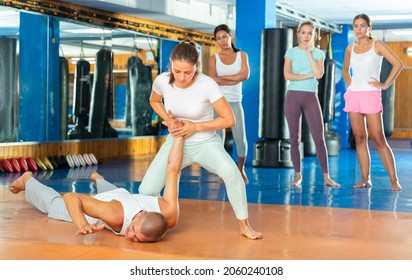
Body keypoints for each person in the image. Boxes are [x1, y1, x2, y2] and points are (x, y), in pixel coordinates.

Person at [139, 40, 262, 240]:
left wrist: (195, 126)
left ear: (197, 66)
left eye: (188, 72)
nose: (182, 77)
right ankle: (162, 217)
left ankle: (244, 226)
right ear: (171, 64)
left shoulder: (207, 84)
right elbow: (154, 100)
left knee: (233, 175)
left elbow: (228, 119)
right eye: (177, 71)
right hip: (175, 142)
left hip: (205, 143)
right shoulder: (162, 80)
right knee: (146, 189)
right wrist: (168, 119)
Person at [9, 136, 185, 242]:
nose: (130, 235)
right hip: (110, 204)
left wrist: (179, 137)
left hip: (120, 195)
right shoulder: (115, 215)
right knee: (55, 206)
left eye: (137, 238)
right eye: (132, 229)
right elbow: (71, 197)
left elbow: (174, 169)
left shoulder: (169, 213)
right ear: (140, 214)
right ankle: (28, 181)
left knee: (113, 193)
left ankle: (98, 178)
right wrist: (82, 223)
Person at [342, 14, 403, 191]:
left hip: (370, 94)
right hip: (354, 95)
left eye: (362, 26)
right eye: (355, 26)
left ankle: (394, 180)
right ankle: (365, 179)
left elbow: (397, 63)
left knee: (378, 138)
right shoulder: (349, 49)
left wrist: (384, 84)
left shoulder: (377, 45)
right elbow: (345, 69)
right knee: (360, 138)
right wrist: (349, 82)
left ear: (369, 28)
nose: (358, 29)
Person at [283, 20, 339, 187]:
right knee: (294, 138)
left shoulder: (319, 53)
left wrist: (309, 54)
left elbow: (319, 74)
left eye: (310, 33)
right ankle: (298, 175)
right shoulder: (291, 52)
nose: (306, 36)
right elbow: (287, 75)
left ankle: (326, 177)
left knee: (319, 138)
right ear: (298, 34)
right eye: (303, 32)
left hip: (311, 97)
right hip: (293, 96)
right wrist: (308, 76)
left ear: (314, 35)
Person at [208, 24, 250, 184]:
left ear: (230, 36)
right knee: (218, 139)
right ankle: (224, 172)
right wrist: (235, 77)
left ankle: (240, 170)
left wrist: (223, 79)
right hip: (218, 102)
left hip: (235, 101)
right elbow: (213, 79)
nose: (222, 40)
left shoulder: (242, 56)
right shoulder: (214, 59)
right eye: (218, 38)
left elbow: (245, 75)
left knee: (240, 138)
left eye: (224, 36)